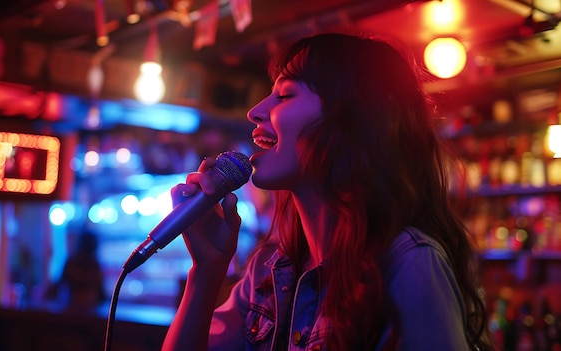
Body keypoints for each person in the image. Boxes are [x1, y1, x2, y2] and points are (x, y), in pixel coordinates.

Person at [162, 33, 493, 350]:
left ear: (350, 120)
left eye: (285, 94)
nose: (255, 111)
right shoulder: (269, 270)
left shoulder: (408, 261)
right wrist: (206, 269)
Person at [45, 231, 107, 310]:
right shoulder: (94, 266)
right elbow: (102, 295)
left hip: (76, 311)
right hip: (84, 312)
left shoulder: (72, 263)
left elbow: (56, 287)